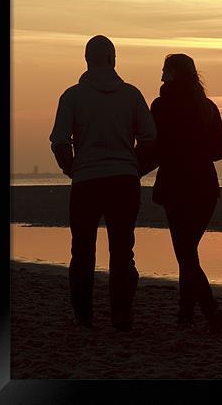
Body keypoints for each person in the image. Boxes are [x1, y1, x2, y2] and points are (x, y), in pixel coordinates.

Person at [49, 35, 157, 332]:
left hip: (86, 181)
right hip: (123, 181)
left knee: (82, 251)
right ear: (113, 59)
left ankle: (84, 317)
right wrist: (135, 167)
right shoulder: (132, 95)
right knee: (122, 250)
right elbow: (150, 138)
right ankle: (121, 316)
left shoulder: (71, 96)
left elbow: (59, 141)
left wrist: (71, 168)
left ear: (86, 60)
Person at [150, 54, 222, 333]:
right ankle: (187, 314)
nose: (161, 77)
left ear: (174, 74)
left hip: (176, 188)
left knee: (185, 254)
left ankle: (208, 310)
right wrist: (197, 152)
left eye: (164, 71)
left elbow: (154, 149)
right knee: (188, 252)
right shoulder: (207, 107)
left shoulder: (161, 106)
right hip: (205, 188)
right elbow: (221, 150)